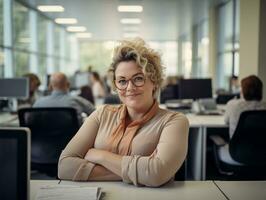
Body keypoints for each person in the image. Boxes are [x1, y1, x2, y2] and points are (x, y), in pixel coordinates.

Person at [58, 38, 189, 187]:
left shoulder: (174, 121)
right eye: (122, 81)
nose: (129, 87)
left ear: (154, 81)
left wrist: (101, 156)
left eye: (138, 78)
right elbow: (64, 167)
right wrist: (141, 172)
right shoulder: (101, 114)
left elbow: (157, 174)